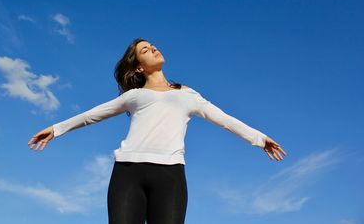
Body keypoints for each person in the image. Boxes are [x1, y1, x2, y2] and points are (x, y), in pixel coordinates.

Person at [28, 38, 287, 224]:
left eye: (152, 46)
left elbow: (224, 119)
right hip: (128, 172)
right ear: (139, 66)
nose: (153, 49)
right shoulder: (135, 96)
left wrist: (260, 139)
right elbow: (92, 115)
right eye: (145, 50)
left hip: (170, 175)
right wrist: (56, 129)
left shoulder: (187, 95)